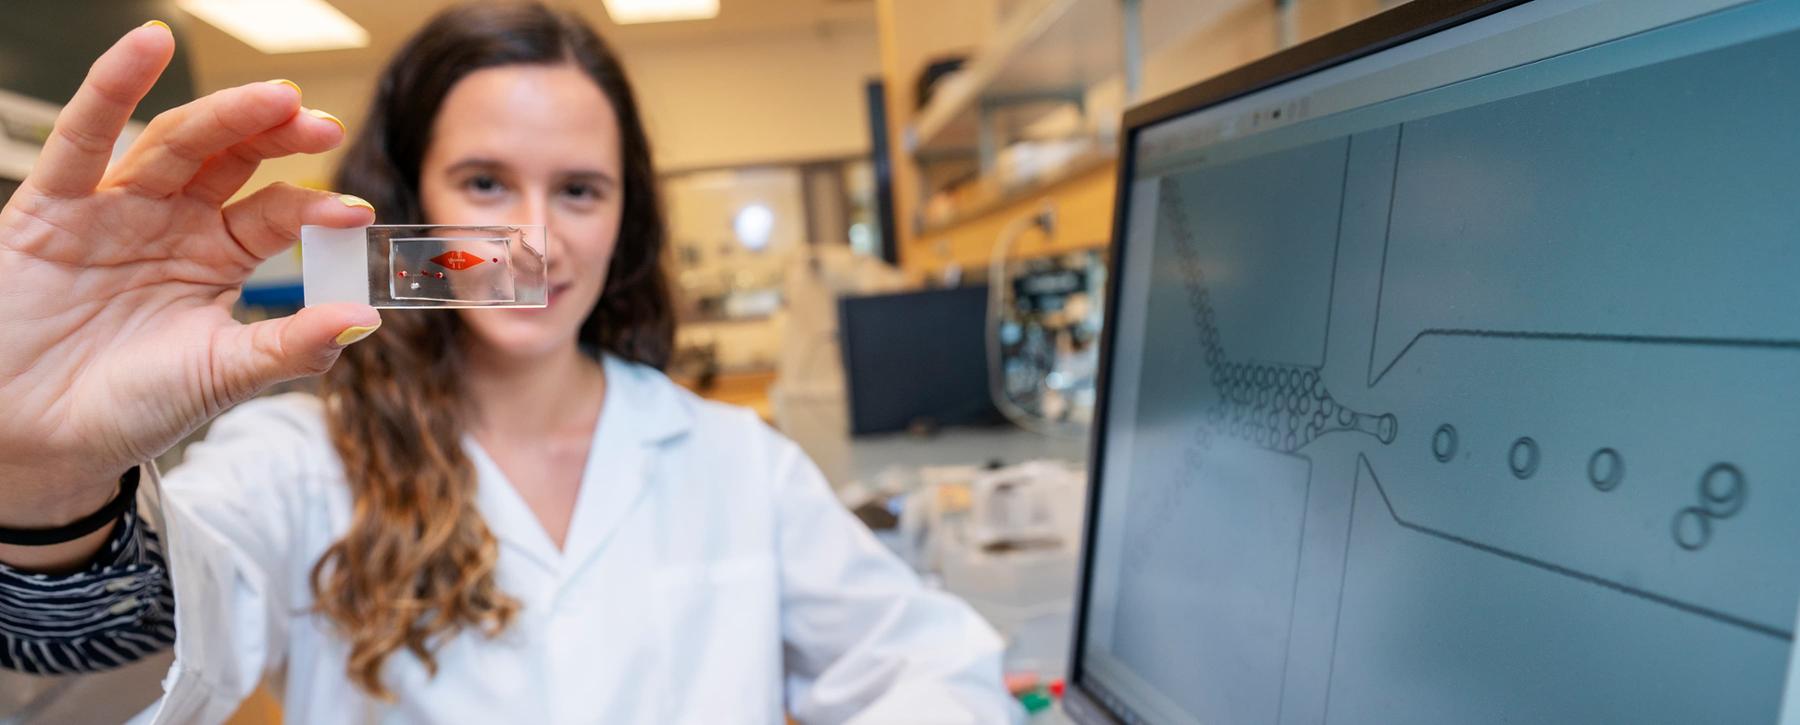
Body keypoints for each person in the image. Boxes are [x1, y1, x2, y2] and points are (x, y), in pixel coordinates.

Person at [0, 4, 1016, 723]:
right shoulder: (298, 457)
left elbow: (929, 670)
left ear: (627, 219)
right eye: (485, 180)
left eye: (579, 190)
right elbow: (120, 662)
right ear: (408, 199)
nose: (538, 237)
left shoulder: (733, 458)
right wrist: (49, 476)